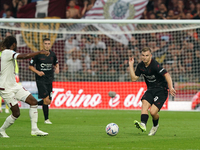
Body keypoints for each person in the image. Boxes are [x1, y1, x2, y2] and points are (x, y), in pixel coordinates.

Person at [0, 36, 49, 138]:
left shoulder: (6, 53)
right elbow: (24, 56)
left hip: (13, 85)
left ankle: (34, 129)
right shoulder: (7, 52)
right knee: (16, 113)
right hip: (6, 87)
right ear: (13, 44)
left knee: (33, 102)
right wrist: (39, 52)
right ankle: (1, 130)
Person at [129, 47, 176, 136]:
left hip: (162, 90)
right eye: (143, 55)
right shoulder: (140, 66)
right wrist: (131, 65)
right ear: (141, 56)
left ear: (150, 56)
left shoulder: (155, 65)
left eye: (147, 55)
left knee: (153, 112)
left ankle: (155, 126)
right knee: (144, 103)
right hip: (150, 89)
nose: (144, 57)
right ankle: (143, 124)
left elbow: (167, 75)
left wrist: (171, 87)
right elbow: (134, 78)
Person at [29, 38, 59, 124]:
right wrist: (38, 72)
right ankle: (46, 119)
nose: (47, 45)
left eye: (48, 43)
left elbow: (56, 63)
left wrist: (57, 68)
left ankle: (33, 104)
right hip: (40, 80)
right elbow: (30, 66)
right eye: (45, 43)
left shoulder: (53, 54)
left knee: (49, 101)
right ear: (43, 44)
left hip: (49, 80)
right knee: (46, 100)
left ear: (50, 44)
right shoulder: (38, 55)